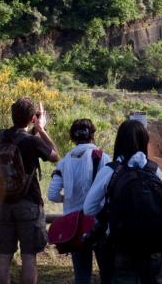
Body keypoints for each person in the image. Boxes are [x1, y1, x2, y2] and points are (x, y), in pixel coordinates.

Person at [83, 120, 162, 284]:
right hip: (154, 243)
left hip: (122, 243)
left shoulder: (110, 170)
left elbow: (88, 208)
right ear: (145, 140)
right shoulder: (155, 170)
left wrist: (110, 210)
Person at [0, 98, 60, 284]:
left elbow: (17, 141)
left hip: (3, 203)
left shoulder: (0, 136)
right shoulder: (33, 141)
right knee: (29, 257)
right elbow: (54, 155)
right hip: (29, 203)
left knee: (3, 256)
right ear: (32, 119)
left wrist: (33, 128)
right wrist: (41, 129)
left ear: (12, 116)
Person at [47, 119, 112, 284]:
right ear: (92, 135)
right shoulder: (103, 158)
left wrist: (67, 198)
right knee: (107, 273)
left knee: (82, 276)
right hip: (100, 223)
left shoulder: (63, 162)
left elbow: (52, 194)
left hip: (75, 227)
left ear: (72, 138)